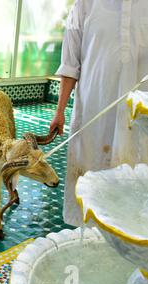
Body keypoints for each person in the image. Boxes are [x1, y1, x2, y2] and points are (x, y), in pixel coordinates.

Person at [50, 0, 148, 227]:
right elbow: (70, 64)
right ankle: (87, 237)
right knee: (91, 178)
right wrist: (60, 111)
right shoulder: (85, 5)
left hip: (137, 119)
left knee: (134, 180)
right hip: (93, 112)